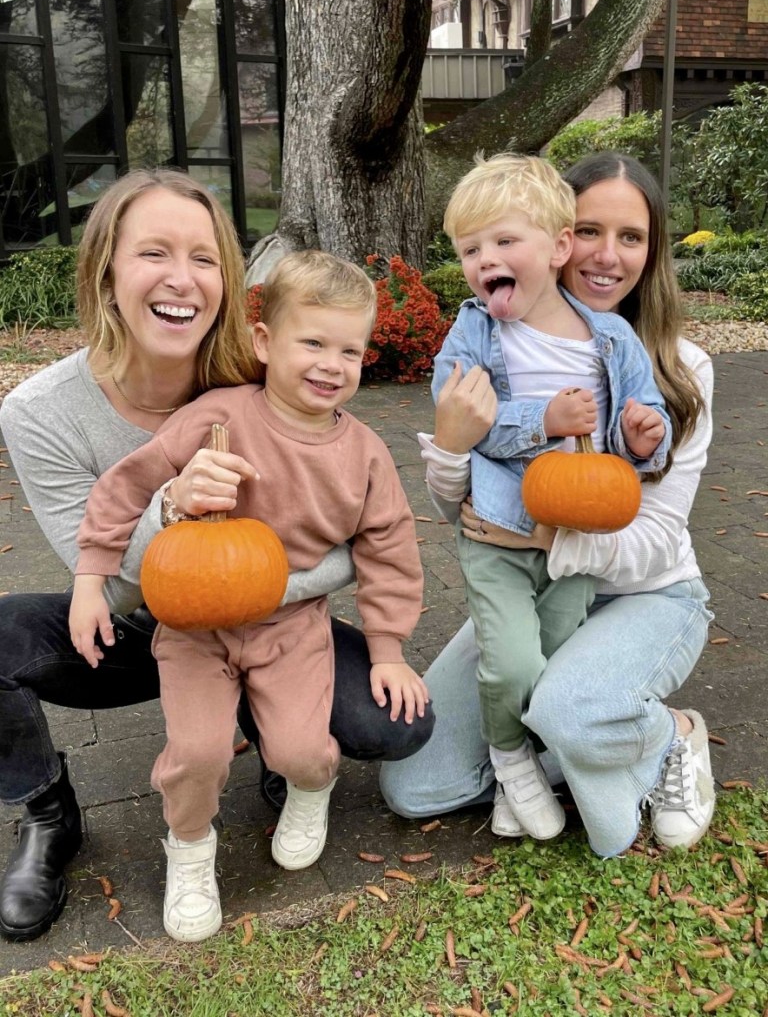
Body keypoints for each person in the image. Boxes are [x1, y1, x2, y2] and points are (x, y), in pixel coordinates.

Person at [0, 170, 434, 943]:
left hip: (283, 612)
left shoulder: (260, 378)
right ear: (106, 270)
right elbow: (100, 544)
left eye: (204, 258)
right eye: (154, 252)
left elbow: (371, 534)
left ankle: (288, 750)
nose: (181, 278)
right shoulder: (42, 412)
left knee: (383, 723)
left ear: (229, 284)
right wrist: (161, 515)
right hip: (146, 621)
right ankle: (51, 814)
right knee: (14, 645)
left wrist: (360, 628)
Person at [381, 151, 715, 859]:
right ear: (560, 235)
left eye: (630, 237)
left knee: (562, 706)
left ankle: (669, 737)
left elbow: (655, 536)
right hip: (523, 574)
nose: (605, 255)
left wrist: (550, 539)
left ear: (651, 254)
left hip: (640, 591)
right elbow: (465, 514)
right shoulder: (490, 336)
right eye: (591, 229)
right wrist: (450, 446)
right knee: (418, 785)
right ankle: (569, 735)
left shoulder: (680, 368)